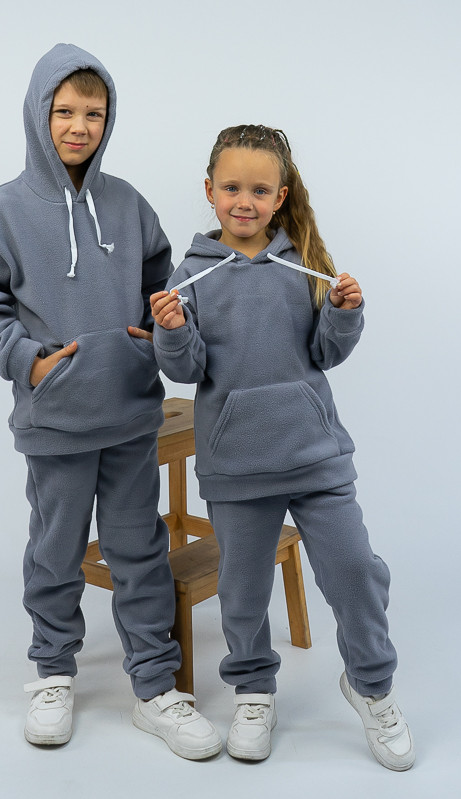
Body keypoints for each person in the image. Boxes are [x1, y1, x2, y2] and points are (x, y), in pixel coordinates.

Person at [0, 43, 221, 760]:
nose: (79, 126)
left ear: (109, 119)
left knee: (140, 550)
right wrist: (31, 363)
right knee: (55, 551)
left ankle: (155, 687)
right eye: (65, 111)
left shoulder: (127, 204)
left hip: (130, 414)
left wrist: (151, 337)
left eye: (94, 113)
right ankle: (52, 673)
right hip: (56, 419)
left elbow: (166, 288)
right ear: (38, 113)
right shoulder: (5, 210)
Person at [150, 124, 414, 770]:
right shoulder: (191, 275)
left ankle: (371, 684)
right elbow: (187, 368)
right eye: (231, 188)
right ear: (209, 191)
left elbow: (324, 352)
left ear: (280, 196)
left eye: (259, 190)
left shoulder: (303, 263)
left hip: (314, 456)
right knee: (241, 589)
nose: (244, 201)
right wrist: (172, 330)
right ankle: (252, 691)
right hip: (237, 465)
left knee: (354, 569)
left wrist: (343, 313)